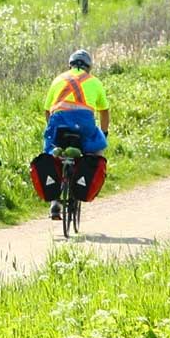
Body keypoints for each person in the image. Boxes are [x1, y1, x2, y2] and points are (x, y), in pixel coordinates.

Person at [43, 50, 110, 218]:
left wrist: (52, 130)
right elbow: (104, 111)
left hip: (59, 122)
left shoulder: (58, 79)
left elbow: (47, 110)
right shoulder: (95, 82)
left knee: (52, 152)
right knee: (96, 150)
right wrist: (104, 133)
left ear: (70, 65)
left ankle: (55, 201)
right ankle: (84, 182)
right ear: (89, 67)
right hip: (84, 123)